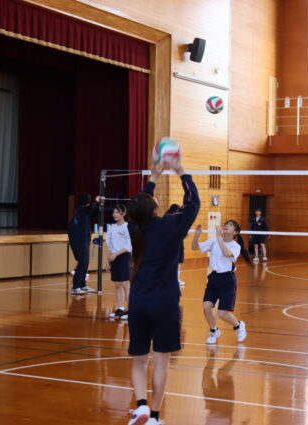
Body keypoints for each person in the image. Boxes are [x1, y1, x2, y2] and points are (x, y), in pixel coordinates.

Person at [125, 157, 200, 425]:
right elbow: (193, 203)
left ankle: (141, 406)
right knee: (161, 362)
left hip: (138, 301)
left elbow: (139, 207)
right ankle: (154, 417)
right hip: (165, 303)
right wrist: (181, 171)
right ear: (156, 209)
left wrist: (153, 178)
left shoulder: (133, 227)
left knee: (139, 360)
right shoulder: (171, 226)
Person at [192, 220, 251, 345]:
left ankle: (238, 325)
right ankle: (214, 331)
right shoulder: (214, 241)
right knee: (206, 307)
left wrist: (219, 237)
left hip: (227, 279)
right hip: (214, 277)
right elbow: (195, 247)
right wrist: (197, 234)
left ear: (235, 232)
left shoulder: (236, 246)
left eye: (230, 225)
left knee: (222, 313)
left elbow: (226, 253)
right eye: (226, 224)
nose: (226, 226)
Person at [67, 193, 99, 294]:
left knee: (85, 264)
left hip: (83, 241)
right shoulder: (81, 210)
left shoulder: (82, 212)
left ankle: (83, 285)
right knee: (82, 264)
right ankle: (76, 287)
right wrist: (96, 200)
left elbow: (93, 211)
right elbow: (91, 208)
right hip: (80, 242)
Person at [106, 204, 132, 319]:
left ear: (123, 213)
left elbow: (128, 245)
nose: (114, 214)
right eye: (114, 212)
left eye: (117, 212)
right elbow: (110, 245)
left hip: (124, 256)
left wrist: (116, 254)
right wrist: (108, 260)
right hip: (114, 257)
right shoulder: (112, 227)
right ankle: (120, 309)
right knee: (117, 284)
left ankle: (131, 310)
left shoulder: (128, 227)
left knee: (126, 284)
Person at [165, 204, 186, 288]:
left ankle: (169, 280)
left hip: (167, 244)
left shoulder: (166, 217)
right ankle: (176, 280)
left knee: (169, 263)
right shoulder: (177, 219)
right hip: (177, 244)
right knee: (177, 263)